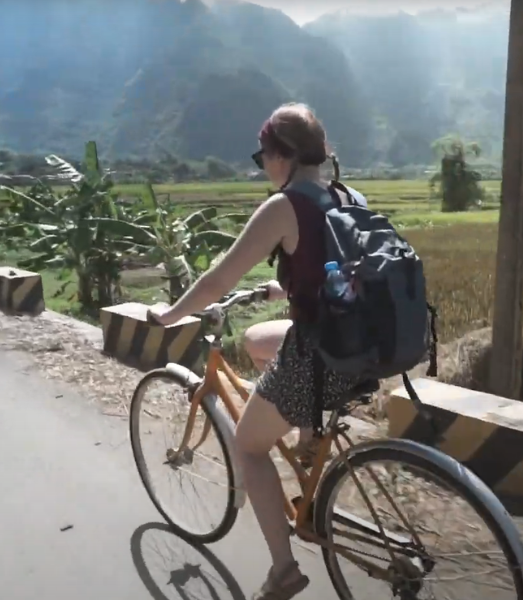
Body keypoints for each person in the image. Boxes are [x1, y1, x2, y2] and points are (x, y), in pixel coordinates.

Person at [147, 102, 366, 600]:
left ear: (281, 155)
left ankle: (284, 571)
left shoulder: (284, 206)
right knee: (256, 340)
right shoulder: (347, 194)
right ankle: (309, 437)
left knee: (248, 447)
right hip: (359, 345)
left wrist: (171, 314)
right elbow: (340, 275)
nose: (262, 165)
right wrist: (284, 288)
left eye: (261, 155)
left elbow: (218, 279)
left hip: (320, 357)